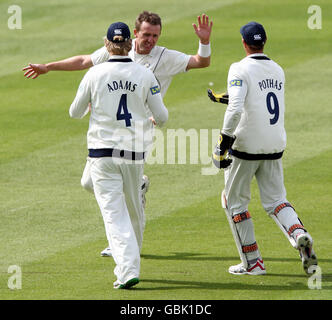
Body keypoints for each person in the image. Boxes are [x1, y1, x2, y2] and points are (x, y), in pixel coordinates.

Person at [23, 11, 213, 257]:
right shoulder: (119, 48)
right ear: (136, 33)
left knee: (121, 195)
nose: (151, 40)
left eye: (155, 35)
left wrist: (204, 42)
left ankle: (123, 248)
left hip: (138, 134)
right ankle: (137, 193)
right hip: (110, 132)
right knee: (89, 182)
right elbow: (84, 62)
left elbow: (201, 62)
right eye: (146, 34)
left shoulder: (165, 57)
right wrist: (47, 67)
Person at [210, 21, 318, 275]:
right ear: (263, 42)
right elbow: (260, 99)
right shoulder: (277, 69)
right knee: (276, 200)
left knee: (233, 202)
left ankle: (254, 262)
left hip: (246, 147)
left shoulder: (239, 68)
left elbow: (236, 108)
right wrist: (224, 97)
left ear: (244, 43)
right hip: (273, 145)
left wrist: (222, 143)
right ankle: (299, 233)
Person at [69, 21, 168, 289]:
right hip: (134, 153)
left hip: (102, 154)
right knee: (133, 210)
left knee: (115, 214)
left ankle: (126, 271)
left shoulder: (94, 74)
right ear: (129, 44)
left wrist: (93, 103)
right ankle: (129, 266)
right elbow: (162, 116)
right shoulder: (145, 74)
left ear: (106, 44)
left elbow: (75, 112)